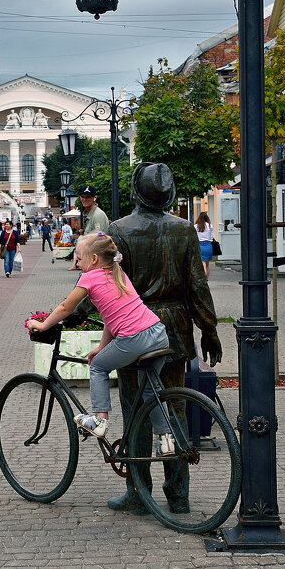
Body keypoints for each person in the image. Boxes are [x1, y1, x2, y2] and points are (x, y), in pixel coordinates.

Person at [105, 162, 223, 516]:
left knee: (137, 409)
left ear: (135, 191)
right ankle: (179, 494)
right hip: (174, 328)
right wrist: (210, 329)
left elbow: (113, 287)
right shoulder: (184, 229)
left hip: (134, 326)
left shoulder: (118, 230)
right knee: (174, 408)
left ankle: (139, 493)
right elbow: (197, 286)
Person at [26, 233, 170, 447]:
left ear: (93, 259)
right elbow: (112, 318)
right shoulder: (117, 272)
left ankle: (99, 420)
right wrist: (102, 347)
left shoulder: (89, 277)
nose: (77, 263)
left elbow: (67, 307)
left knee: (98, 367)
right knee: (151, 389)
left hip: (134, 338)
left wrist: (43, 324)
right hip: (158, 333)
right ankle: (166, 440)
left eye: (79, 258)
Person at [72, 185, 109, 270]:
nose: (85, 199)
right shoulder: (89, 214)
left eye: (88, 197)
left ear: (94, 198)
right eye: (82, 196)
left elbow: (99, 241)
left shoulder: (97, 215)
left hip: (97, 263)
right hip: (91, 261)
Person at [195, 211, 215, 277]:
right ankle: (206, 278)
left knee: (202, 263)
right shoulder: (210, 226)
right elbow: (212, 237)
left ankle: (203, 277)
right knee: (207, 264)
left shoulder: (196, 226)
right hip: (208, 245)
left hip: (199, 245)